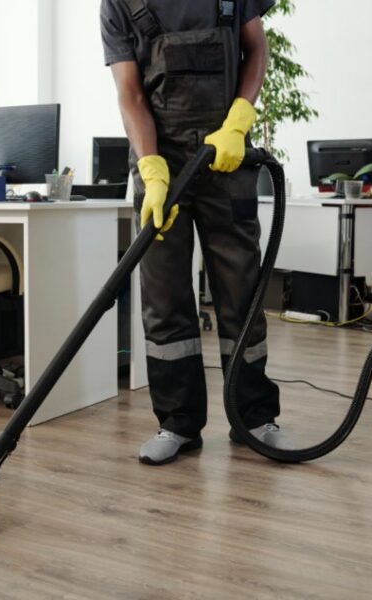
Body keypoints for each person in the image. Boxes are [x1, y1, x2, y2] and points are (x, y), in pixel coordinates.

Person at [101, 0, 292, 466]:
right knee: (164, 299)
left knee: (241, 290)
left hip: (225, 157)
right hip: (160, 162)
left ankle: (254, 418)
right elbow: (131, 94)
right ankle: (178, 424)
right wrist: (151, 168)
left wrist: (239, 121)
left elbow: (256, 50)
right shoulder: (119, 4)